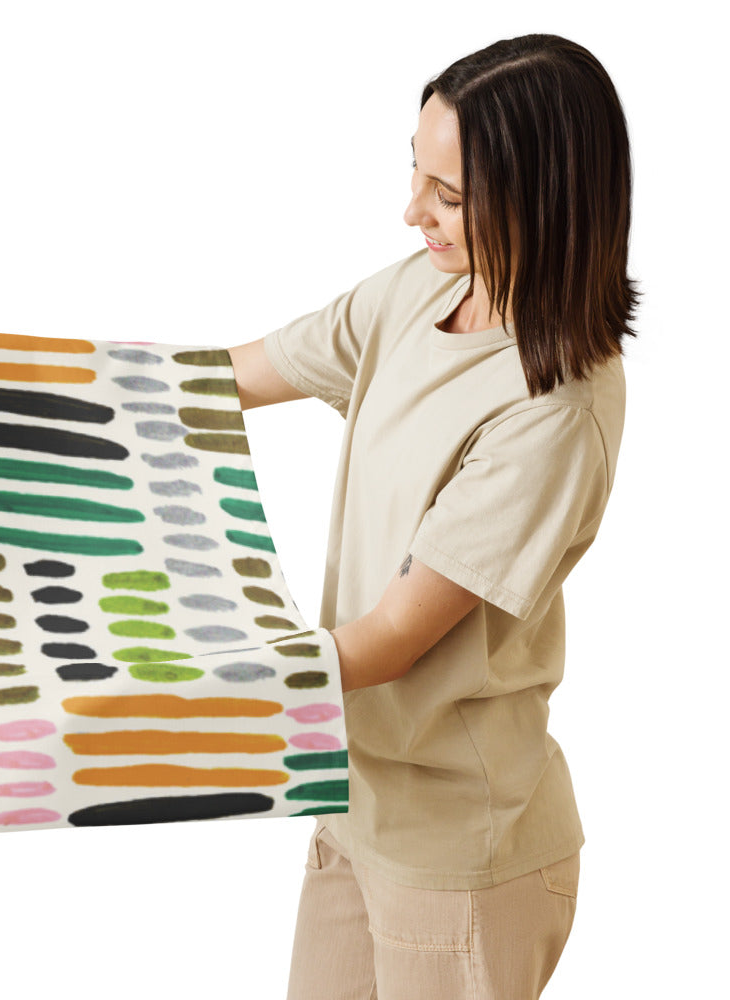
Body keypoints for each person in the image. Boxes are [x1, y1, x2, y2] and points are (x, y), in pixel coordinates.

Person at [228, 33, 639, 1000]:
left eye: (449, 197)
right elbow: (233, 377)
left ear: (545, 200)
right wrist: (22, 398)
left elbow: (391, 641)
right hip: (354, 801)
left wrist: (182, 680)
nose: (413, 211)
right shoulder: (423, 289)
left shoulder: (553, 409)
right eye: (417, 173)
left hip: (461, 855)